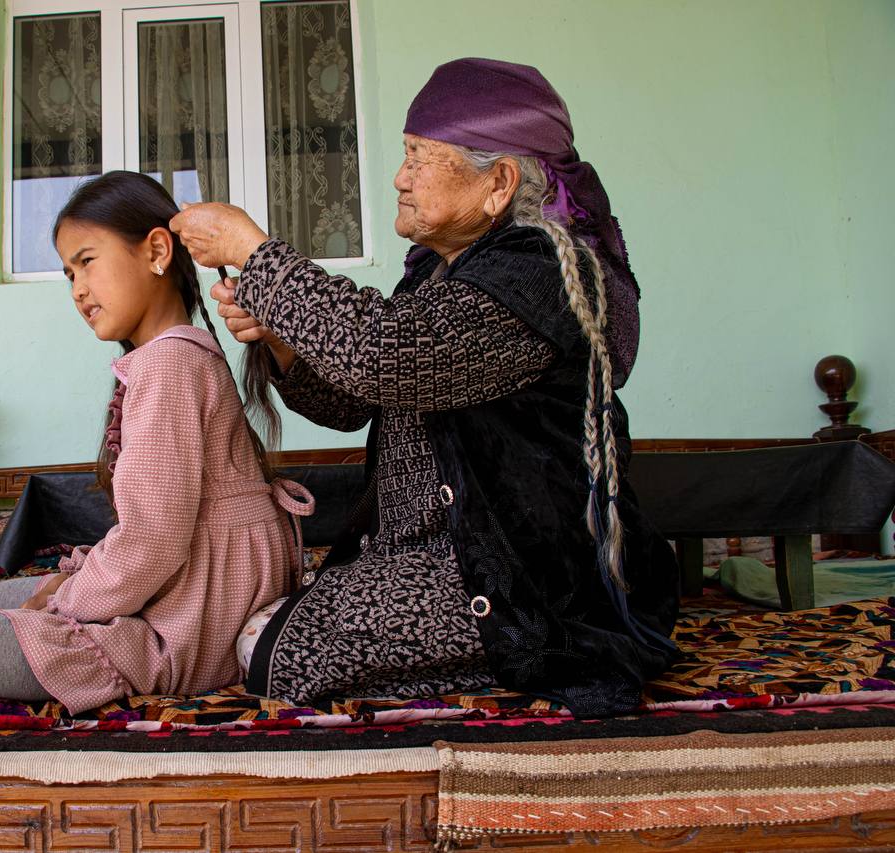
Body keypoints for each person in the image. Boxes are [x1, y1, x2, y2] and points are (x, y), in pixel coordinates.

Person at [171, 58, 679, 718]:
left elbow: (381, 353)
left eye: (418, 157)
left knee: (270, 650)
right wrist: (280, 338)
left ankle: (527, 660)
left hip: (514, 569)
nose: (399, 178)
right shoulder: (442, 275)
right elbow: (352, 401)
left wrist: (252, 248)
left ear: (498, 183)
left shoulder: (545, 270)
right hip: (435, 553)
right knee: (263, 625)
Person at [0, 171, 313, 714]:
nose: (78, 289)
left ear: (156, 251)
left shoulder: (168, 364)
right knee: (4, 598)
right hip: (209, 567)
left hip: (204, 602)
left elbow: (154, 540)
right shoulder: (179, 352)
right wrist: (65, 594)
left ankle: (163, 653)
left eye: (87, 261)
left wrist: (66, 603)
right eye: (68, 274)